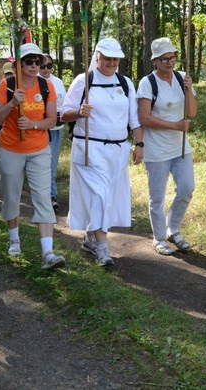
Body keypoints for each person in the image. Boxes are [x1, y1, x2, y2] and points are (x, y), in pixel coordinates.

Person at [59, 38, 143, 267]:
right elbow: (64, 114)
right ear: (97, 58)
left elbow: (133, 116)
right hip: (89, 147)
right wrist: (78, 111)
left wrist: (139, 144)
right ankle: (103, 248)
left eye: (115, 58)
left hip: (117, 149)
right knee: (100, 195)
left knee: (108, 198)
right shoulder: (84, 80)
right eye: (106, 58)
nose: (111, 62)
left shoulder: (125, 83)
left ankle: (90, 238)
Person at [0, 43, 66, 270]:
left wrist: (32, 123)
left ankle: (48, 252)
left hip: (39, 150)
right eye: (28, 61)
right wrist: (12, 103)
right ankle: (14, 240)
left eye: (37, 61)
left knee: (43, 198)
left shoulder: (46, 85)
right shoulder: (7, 85)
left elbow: (52, 120)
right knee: (11, 197)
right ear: (19, 64)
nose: (34, 66)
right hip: (11, 149)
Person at [137, 37, 198, 255]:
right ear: (155, 61)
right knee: (157, 197)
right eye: (164, 59)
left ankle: (172, 228)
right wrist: (174, 125)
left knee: (186, 188)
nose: (169, 62)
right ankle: (159, 237)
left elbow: (191, 112)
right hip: (156, 149)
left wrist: (189, 90)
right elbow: (144, 118)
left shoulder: (183, 78)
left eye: (172, 57)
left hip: (180, 147)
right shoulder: (148, 83)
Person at [39, 54, 66, 211]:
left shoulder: (58, 82)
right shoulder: (34, 82)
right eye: (42, 66)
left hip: (56, 128)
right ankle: (45, 196)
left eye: (49, 66)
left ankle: (52, 195)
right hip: (40, 128)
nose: (46, 69)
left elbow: (65, 102)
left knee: (52, 162)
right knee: (42, 163)